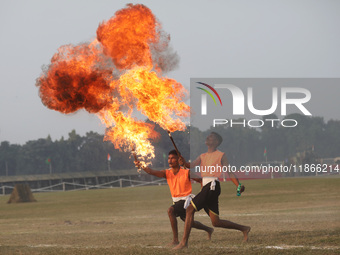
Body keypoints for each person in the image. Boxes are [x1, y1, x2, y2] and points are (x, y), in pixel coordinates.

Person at [174, 132, 251, 249]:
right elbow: (190, 165)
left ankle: (184, 243)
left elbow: (229, 172)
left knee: (189, 209)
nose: (207, 138)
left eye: (211, 137)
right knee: (216, 222)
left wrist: (238, 185)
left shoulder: (221, 155)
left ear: (216, 142)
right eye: (208, 136)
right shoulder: (202, 156)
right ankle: (244, 229)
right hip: (207, 187)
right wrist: (183, 162)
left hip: (212, 186)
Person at [134, 150, 214, 246]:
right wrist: (141, 165)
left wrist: (202, 196)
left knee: (170, 211)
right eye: (169, 158)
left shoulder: (186, 172)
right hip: (177, 201)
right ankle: (209, 229)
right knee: (189, 222)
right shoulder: (166, 173)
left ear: (178, 159)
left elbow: (201, 180)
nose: (170, 161)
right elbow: (151, 171)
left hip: (186, 200)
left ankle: (175, 240)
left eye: (172, 158)